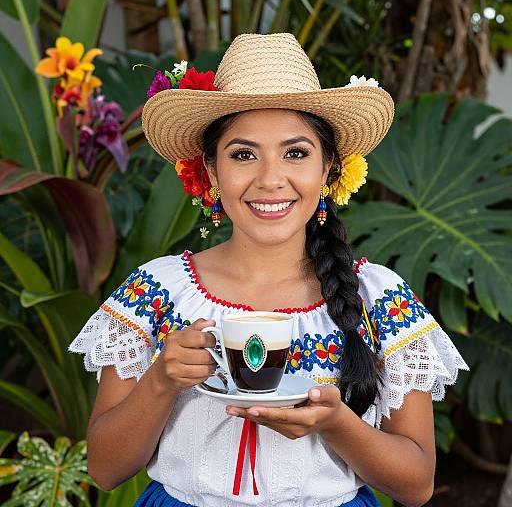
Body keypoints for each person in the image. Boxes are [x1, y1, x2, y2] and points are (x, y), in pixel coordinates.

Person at [68, 33, 469, 507]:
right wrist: (161, 379)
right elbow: (106, 469)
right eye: (243, 154)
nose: (270, 179)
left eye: (296, 153)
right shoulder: (157, 292)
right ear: (213, 173)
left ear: (327, 171)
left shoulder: (379, 299)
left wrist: (336, 422)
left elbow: (417, 485)